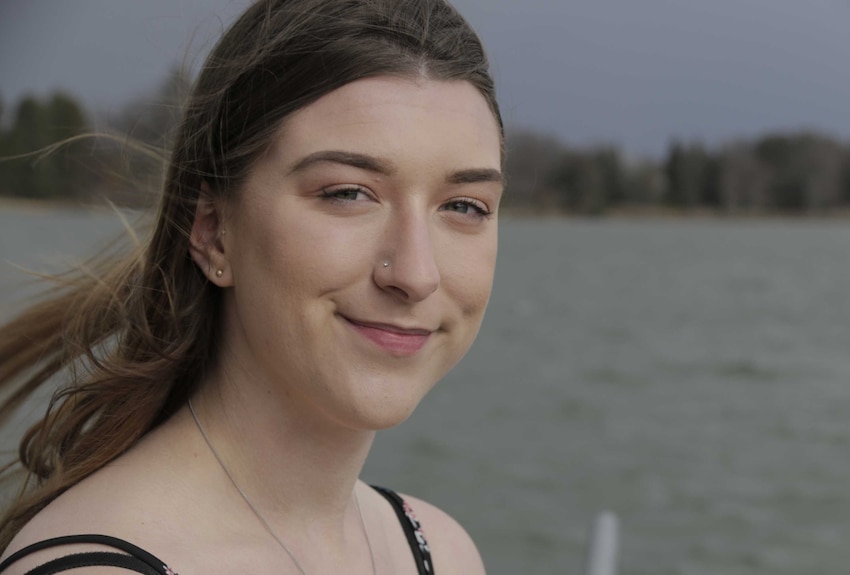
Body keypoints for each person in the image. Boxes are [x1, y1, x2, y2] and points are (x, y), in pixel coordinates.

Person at [0, 0, 504, 573]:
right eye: (347, 193)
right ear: (214, 232)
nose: (416, 274)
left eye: (464, 205)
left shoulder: (441, 552)